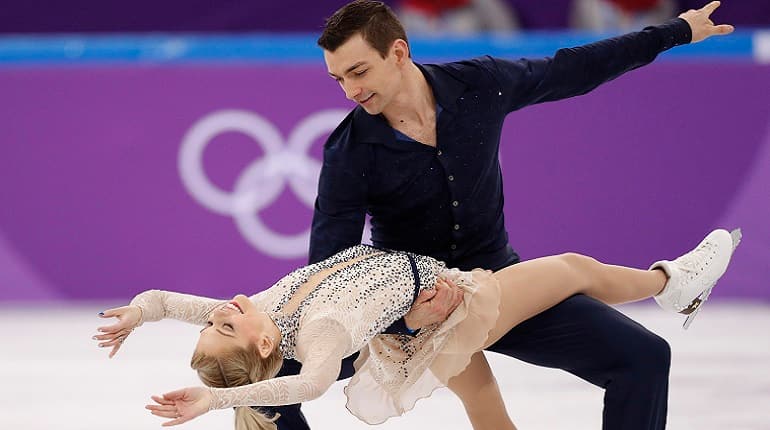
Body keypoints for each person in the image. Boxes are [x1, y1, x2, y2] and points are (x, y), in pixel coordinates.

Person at [286, 1, 734, 429]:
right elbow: (328, 270)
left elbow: (573, 68)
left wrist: (676, 32)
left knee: (644, 357)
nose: (351, 91)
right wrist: (400, 321)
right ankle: (670, 283)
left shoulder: (478, 84)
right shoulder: (349, 152)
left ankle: (670, 283)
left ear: (398, 52)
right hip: (421, 309)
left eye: (358, 71)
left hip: (502, 285)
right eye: (338, 79)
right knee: (270, 370)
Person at [94, 228, 741, 430]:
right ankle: (672, 283)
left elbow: (170, 301)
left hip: (417, 320)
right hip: (455, 304)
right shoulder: (316, 335)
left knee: (488, 412)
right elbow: (308, 388)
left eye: (215, 318)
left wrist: (138, 312)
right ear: (262, 346)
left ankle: (672, 287)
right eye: (225, 325)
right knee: (572, 269)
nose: (222, 308)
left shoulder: (264, 310)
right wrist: (218, 400)